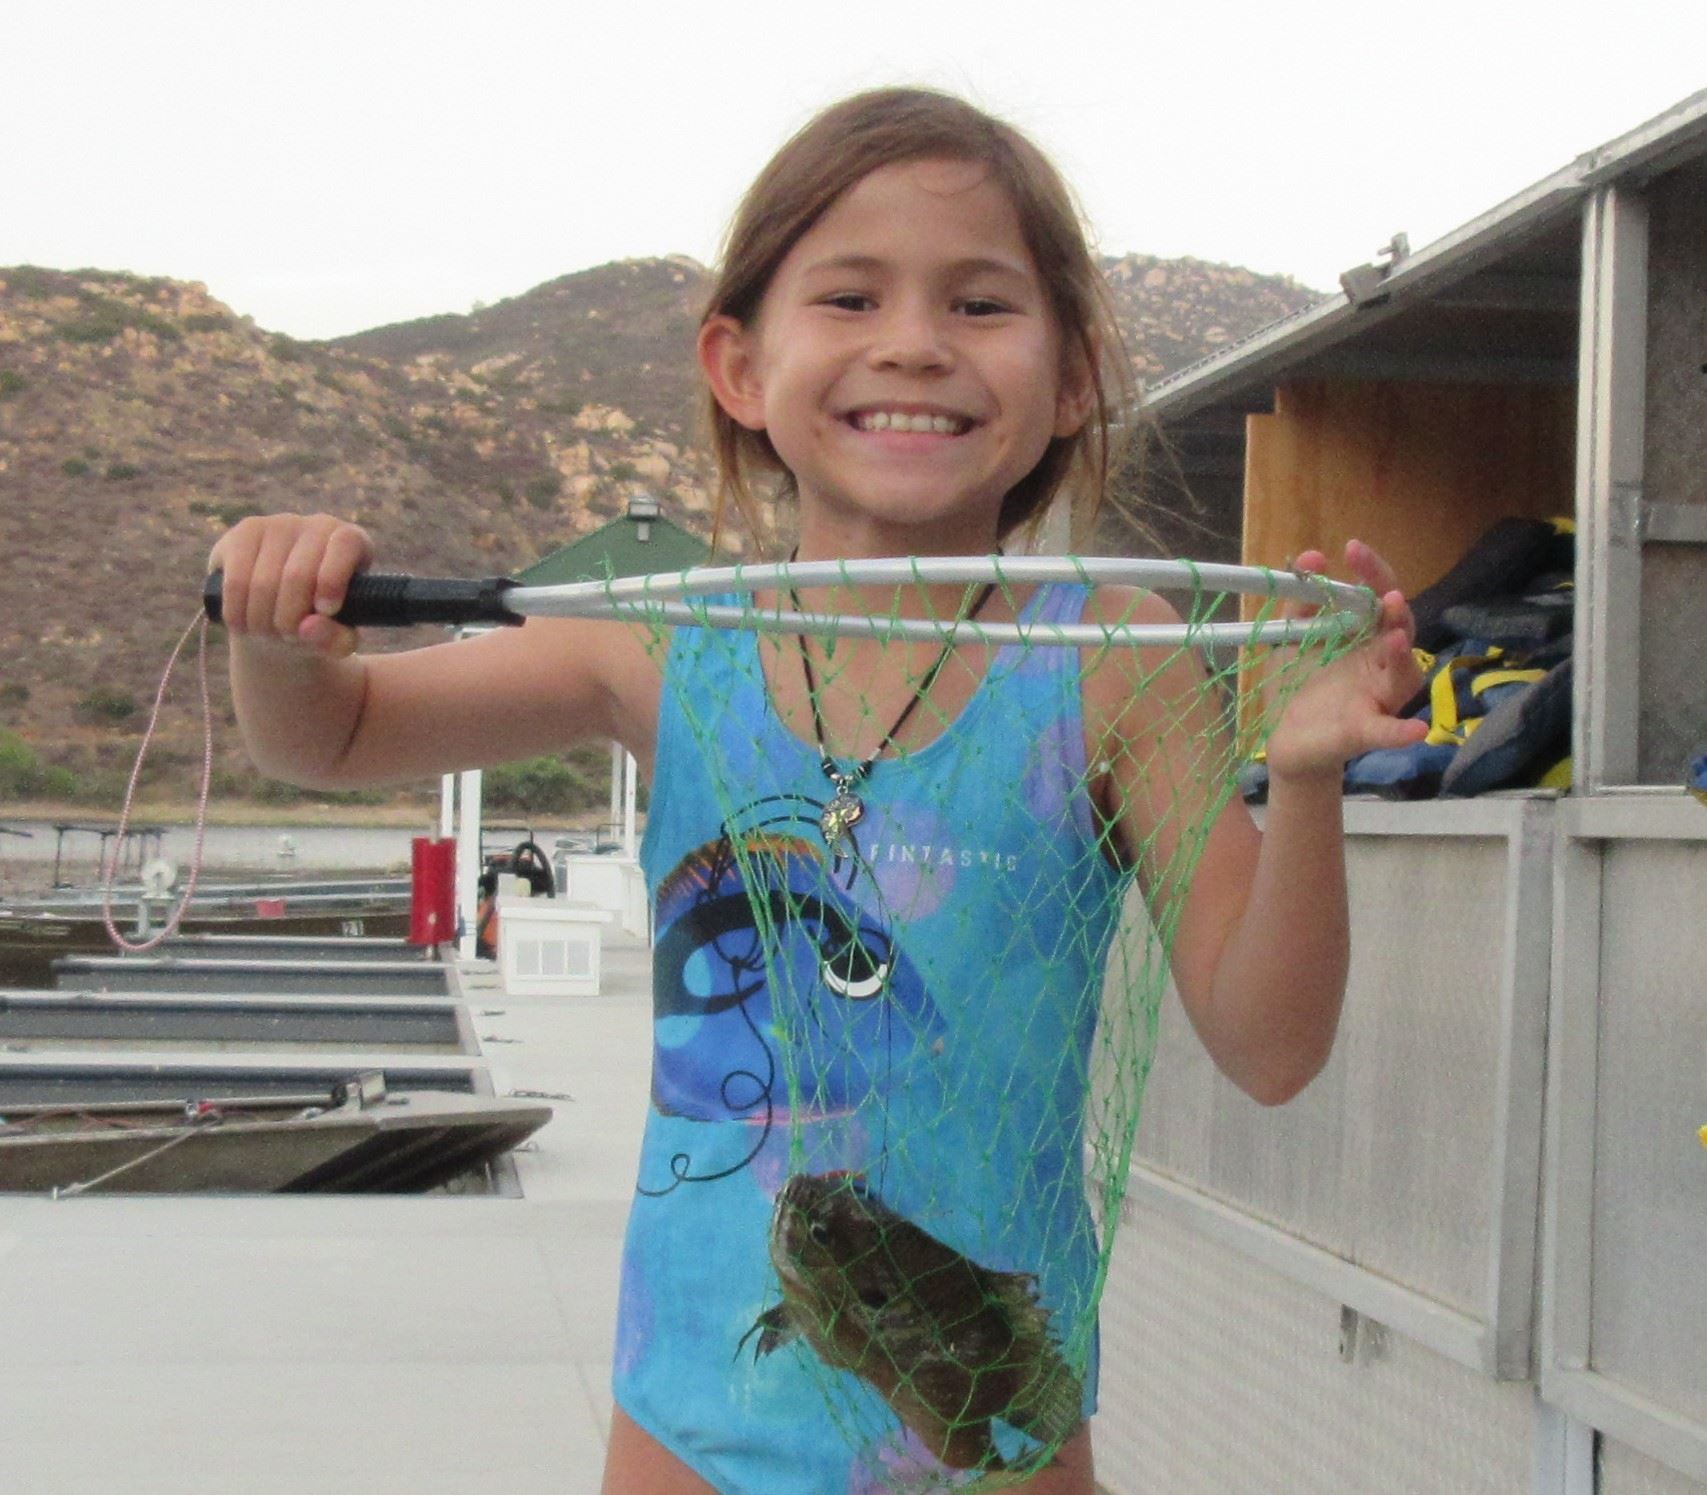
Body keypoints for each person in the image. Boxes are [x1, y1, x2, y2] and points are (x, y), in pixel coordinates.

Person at [210, 88, 1426, 1495]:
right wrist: (277, 632)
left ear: (1074, 377)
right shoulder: (665, 638)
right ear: (739, 365)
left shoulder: (1117, 660)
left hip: (1000, 1441)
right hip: (688, 1436)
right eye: (850, 297)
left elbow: (1272, 1047)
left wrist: (1308, 782)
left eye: (981, 305)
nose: (913, 343)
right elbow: (333, 737)